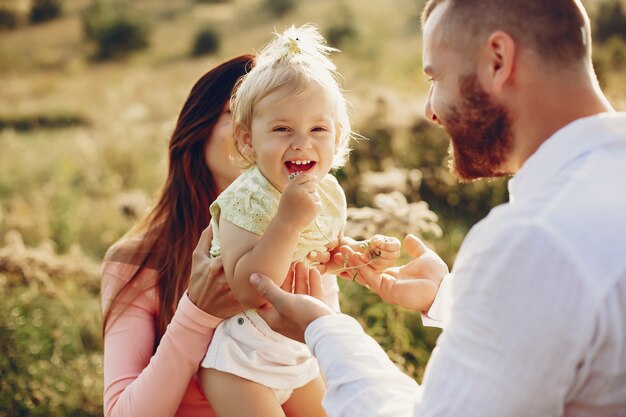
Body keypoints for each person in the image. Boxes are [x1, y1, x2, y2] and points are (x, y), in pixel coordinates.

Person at [246, 1, 626, 416]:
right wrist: (451, 300)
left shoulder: (535, 238)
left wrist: (323, 329)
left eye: (436, 77)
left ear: (497, 61)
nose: (430, 110)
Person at [100, 54, 341, 417]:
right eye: (241, 111)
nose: (296, 139)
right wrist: (197, 314)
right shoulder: (135, 261)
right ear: (203, 130)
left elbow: (332, 390)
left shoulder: (302, 236)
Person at [196, 25, 403, 417]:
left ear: (338, 137)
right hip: (242, 365)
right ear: (247, 140)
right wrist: (286, 223)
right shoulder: (245, 198)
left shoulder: (326, 192)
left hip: (300, 352)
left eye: (318, 129)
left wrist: (358, 254)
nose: (302, 142)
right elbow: (245, 289)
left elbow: (321, 257)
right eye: (282, 129)